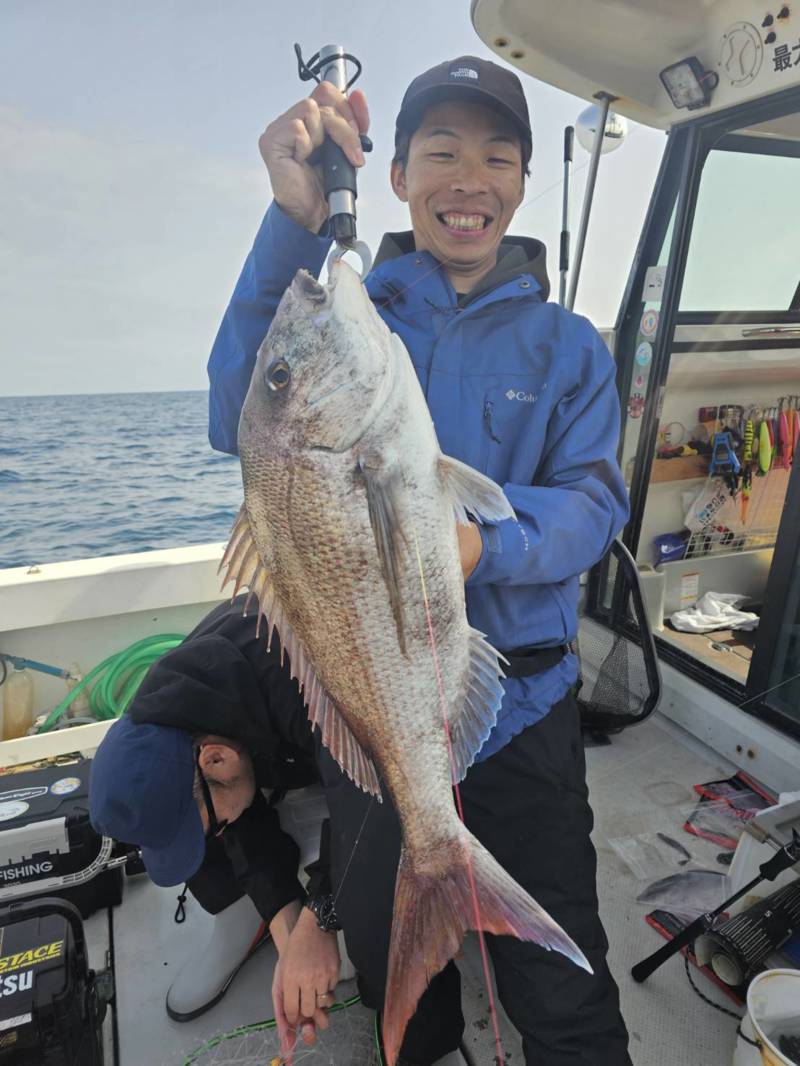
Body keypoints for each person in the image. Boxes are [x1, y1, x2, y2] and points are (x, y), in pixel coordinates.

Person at [206, 55, 632, 1066]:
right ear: (393, 175)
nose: (466, 178)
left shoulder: (568, 346)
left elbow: (591, 505)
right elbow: (241, 412)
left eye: (494, 154)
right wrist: (292, 218)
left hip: (522, 717)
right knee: (402, 986)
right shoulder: (355, 308)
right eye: (438, 151)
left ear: (521, 182)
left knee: (563, 996)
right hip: (375, 731)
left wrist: (483, 540)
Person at [89, 596, 344, 1051]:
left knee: (363, 909)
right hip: (273, 751)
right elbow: (236, 813)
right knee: (202, 814)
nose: (220, 831)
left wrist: (321, 918)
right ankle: (246, 921)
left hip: (356, 741)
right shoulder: (168, 717)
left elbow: (376, 805)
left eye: (213, 827)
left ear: (217, 756)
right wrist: (290, 937)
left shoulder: (303, 683)